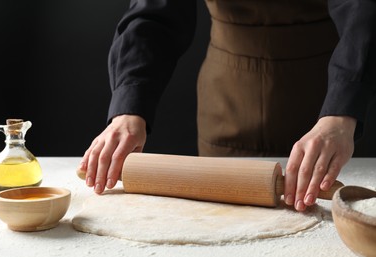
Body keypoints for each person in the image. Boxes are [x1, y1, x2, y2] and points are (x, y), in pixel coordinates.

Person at [78, 0, 375, 212]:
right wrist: (129, 106)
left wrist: (341, 112)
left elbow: (364, 9)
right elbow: (153, 15)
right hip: (227, 105)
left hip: (329, 105)